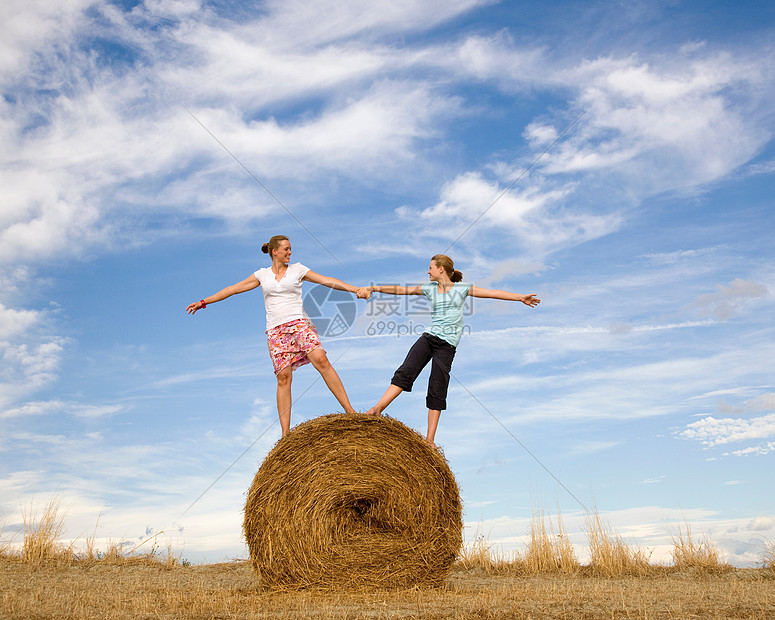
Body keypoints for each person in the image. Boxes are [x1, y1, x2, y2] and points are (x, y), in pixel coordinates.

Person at [187, 235, 368, 437]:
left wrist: (355, 289)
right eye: (287, 249)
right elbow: (233, 289)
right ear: (275, 252)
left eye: (290, 249)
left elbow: (327, 281)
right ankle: (285, 434)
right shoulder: (262, 275)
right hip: (276, 330)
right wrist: (204, 302)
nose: (290, 252)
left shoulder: (298, 270)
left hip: (299, 322)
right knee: (283, 377)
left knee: (321, 359)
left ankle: (350, 411)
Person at [359, 254, 540, 448]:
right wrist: (374, 287)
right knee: (406, 371)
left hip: (447, 346)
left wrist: (520, 297)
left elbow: (493, 293)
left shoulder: (462, 289)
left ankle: (429, 440)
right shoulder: (429, 289)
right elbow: (402, 290)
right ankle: (378, 408)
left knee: (437, 386)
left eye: (430, 267)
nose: (428, 271)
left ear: (441, 269)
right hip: (428, 338)